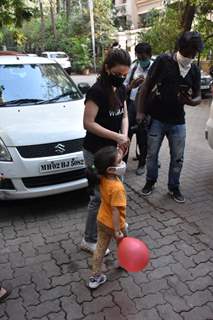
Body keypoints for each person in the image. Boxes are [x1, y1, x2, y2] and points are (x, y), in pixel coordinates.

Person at [137, 31, 203, 203]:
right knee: (152, 155)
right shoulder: (163, 62)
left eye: (195, 52)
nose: (193, 55)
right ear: (182, 48)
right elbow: (146, 87)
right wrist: (140, 112)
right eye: (191, 51)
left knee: (178, 157)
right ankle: (150, 182)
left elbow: (198, 97)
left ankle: (174, 187)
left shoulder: (194, 70)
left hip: (178, 122)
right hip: (157, 119)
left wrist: (190, 101)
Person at [80, 49, 131, 254]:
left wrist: (124, 136)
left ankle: (114, 226)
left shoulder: (121, 89)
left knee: (115, 193)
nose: (121, 78)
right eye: (117, 74)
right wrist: (116, 137)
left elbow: (124, 114)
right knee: (98, 197)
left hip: (114, 151)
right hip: (95, 152)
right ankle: (89, 239)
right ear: (107, 68)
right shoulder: (97, 92)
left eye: (124, 75)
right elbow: (88, 123)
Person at [87, 146, 127, 289]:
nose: (122, 163)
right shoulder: (117, 187)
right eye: (120, 161)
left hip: (101, 220)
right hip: (115, 224)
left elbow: (111, 160)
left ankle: (95, 277)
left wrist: (120, 151)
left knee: (100, 248)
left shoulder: (102, 176)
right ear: (110, 169)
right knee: (123, 244)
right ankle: (123, 262)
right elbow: (116, 210)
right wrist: (117, 230)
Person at [124, 43, 153, 175]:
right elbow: (124, 87)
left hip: (146, 107)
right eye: (139, 57)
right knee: (127, 134)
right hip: (131, 105)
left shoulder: (154, 68)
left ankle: (142, 164)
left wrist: (147, 85)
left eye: (144, 57)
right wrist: (132, 85)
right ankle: (122, 162)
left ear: (149, 55)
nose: (142, 60)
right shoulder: (134, 67)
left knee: (142, 136)